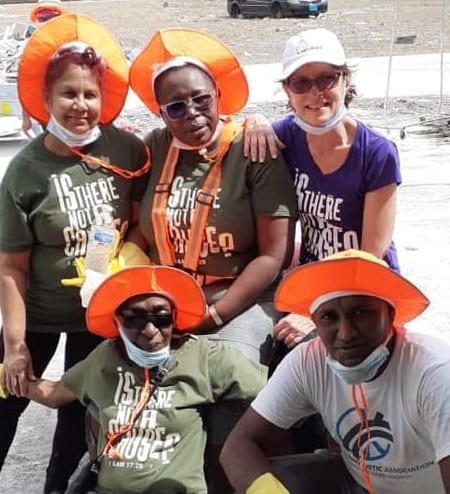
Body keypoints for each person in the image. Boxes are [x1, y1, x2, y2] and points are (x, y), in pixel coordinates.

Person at [127, 28, 298, 493]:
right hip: (167, 301)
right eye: (176, 107)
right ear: (161, 113)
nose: (192, 114)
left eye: (201, 99)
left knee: (227, 396)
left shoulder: (253, 149)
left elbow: (273, 255)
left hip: (239, 299)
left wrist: (215, 314)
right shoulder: (154, 148)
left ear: (218, 95)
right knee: (141, 398)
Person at [0, 14, 150, 493]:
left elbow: (142, 218)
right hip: (38, 316)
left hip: (98, 317)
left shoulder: (126, 151)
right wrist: (14, 348)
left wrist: (114, 263)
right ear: (46, 99)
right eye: (68, 93)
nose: (80, 105)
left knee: (75, 421)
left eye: (90, 94)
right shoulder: (26, 171)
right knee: (4, 406)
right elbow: (11, 267)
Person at [15, 264, 266, 494]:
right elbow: (54, 393)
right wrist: (9, 375)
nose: (149, 330)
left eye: (161, 317)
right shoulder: (105, 357)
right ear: (117, 321)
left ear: (174, 317)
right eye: (134, 319)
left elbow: (272, 394)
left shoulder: (204, 357)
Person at [220, 249, 450, 494]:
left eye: (360, 313)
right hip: (358, 483)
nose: (346, 333)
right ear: (315, 323)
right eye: (329, 317)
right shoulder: (308, 362)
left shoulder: (434, 372)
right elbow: (238, 446)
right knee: (259, 478)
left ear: (390, 314)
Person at [244, 28, 402, 350]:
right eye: (301, 83)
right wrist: (253, 120)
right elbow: (231, 136)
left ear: (346, 80)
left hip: (365, 288)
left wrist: (312, 313)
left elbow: (370, 256)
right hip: (311, 279)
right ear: (287, 91)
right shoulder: (283, 139)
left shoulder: (376, 153)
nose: (315, 93)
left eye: (327, 79)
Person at [22, 0, 68, 135]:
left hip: (67, 103)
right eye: (42, 18)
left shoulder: (71, 42)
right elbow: (25, 82)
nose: (47, 21)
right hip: (44, 107)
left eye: (52, 17)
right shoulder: (32, 46)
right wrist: (26, 118)